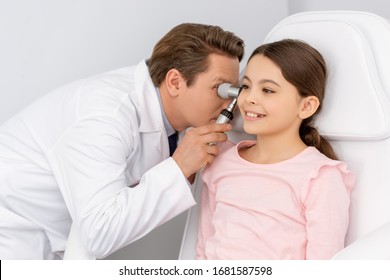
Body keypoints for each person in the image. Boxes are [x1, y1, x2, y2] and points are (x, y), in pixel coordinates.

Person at [0, 23, 244, 259]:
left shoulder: (173, 122)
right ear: (175, 82)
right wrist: (178, 169)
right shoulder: (107, 116)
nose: (227, 104)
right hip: (14, 225)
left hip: (46, 230)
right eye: (220, 89)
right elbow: (99, 233)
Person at [195, 39, 354, 260]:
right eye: (246, 86)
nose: (250, 98)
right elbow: (203, 251)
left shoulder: (320, 177)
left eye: (268, 90)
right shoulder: (221, 160)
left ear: (306, 106)